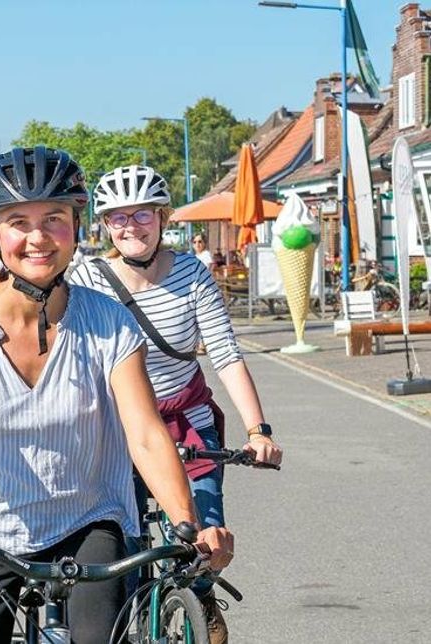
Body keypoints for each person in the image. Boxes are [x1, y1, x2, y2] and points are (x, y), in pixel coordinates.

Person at [0, 147, 233, 644]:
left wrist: (188, 526)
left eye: (55, 219)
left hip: (85, 521)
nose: (38, 238)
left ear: (77, 227)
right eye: (18, 221)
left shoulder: (109, 322)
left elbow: (147, 435)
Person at [69, 164, 283, 644]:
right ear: (104, 226)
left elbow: (225, 354)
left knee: (204, 537)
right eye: (117, 218)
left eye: (141, 214)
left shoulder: (190, 274)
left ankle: (200, 595)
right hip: (117, 426)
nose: (131, 227)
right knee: (113, 553)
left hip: (187, 421)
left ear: (163, 218)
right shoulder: (86, 279)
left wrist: (258, 431)